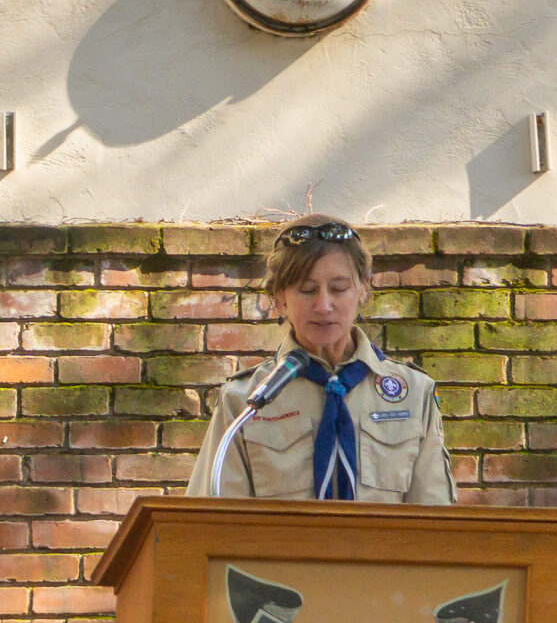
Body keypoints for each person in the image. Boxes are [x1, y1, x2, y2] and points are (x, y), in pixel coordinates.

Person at [186, 215, 455, 503]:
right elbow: (215, 527)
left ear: (364, 288)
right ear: (279, 297)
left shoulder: (413, 394)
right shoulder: (244, 403)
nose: (324, 305)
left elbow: (436, 524)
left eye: (339, 289)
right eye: (307, 290)